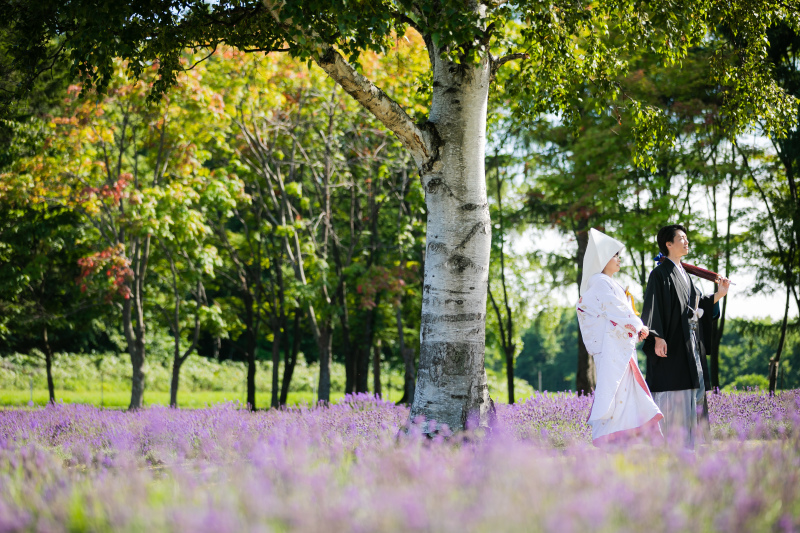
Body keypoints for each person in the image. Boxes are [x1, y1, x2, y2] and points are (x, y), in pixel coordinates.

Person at [640, 224, 731, 449]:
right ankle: (674, 445)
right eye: (681, 238)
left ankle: (693, 445)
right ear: (668, 244)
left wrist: (719, 294)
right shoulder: (659, 274)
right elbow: (652, 307)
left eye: (686, 238)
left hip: (690, 346)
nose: (687, 242)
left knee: (695, 393)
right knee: (674, 395)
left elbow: (697, 306)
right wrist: (657, 336)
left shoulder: (685, 276)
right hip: (672, 346)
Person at [577, 228, 663, 446]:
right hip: (612, 348)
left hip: (617, 346)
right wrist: (638, 326)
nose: (619, 259)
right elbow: (616, 309)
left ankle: (629, 436)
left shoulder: (606, 282)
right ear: (603, 259)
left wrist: (634, 327)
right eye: (615, 255)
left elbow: (618, 311)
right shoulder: (600, 282)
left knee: (624, 391)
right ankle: (617, 437)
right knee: (617, 392)